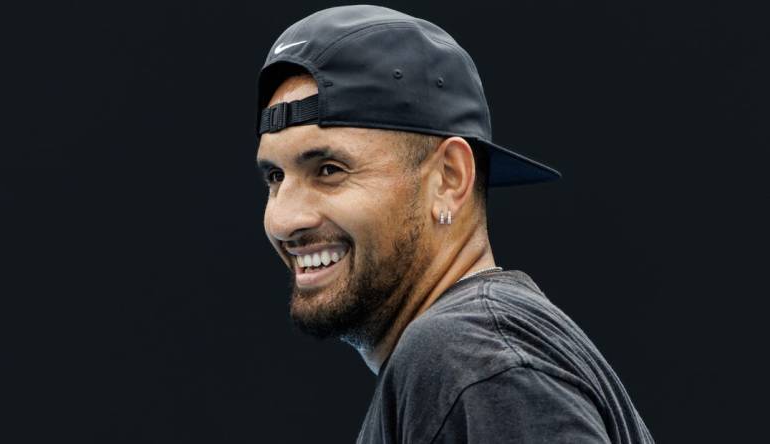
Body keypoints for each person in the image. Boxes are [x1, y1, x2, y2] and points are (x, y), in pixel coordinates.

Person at [254, 5, 653, 443]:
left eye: (329, 169)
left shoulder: (471, 356)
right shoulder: (472, 353)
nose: (284, 219)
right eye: (276, 177)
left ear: (449, 179)